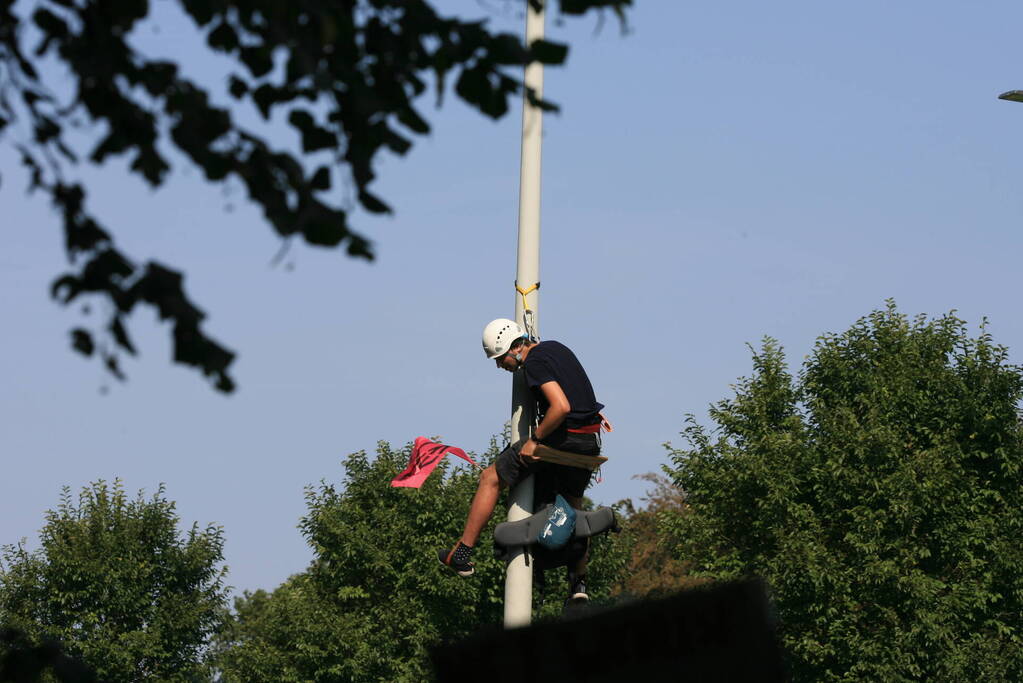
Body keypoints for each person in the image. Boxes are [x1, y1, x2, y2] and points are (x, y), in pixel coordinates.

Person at [438, 318, 605, 604]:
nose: (499, 366)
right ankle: (579, 583)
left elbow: (561, 406)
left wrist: (535, 439)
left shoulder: (534, 363)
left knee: (490, 477)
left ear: (515, 349)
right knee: (574, 509)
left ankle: (462, 554)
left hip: (561, 441)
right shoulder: (555, 348)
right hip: (589, 443)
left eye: (500, 358)